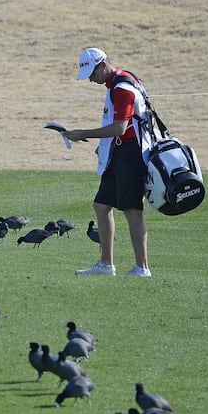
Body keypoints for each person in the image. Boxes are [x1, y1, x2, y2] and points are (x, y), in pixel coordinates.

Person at [65, 48, 154, 278]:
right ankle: (106, 265)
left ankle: (142, 268)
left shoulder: (122, 88)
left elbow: (120, 127)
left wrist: (83, 132)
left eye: (92, 73)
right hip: (120, 151)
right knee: (102, 205)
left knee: (132, 210)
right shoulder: (117, 82)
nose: (91, 80)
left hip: (132, 154)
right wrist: (104, 146)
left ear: (103, 65)